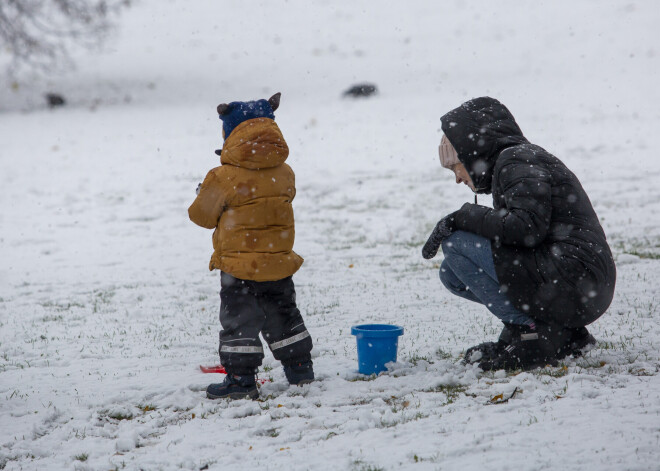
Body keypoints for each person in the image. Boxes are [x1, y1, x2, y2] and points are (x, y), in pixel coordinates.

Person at [422, 97, 616, 371]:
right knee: (452, 273)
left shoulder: (516, 160)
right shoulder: (513, 162)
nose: (457, 178)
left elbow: (525, 228)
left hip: (575, 279)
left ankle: (534, 334)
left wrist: (463, 217)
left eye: (456, 168)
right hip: (575, 283)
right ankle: (559, 334)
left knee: (456, 245)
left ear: (470, 154)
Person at [189, 93, 314, 399]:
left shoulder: (222, 177)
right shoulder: (285, 172)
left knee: (240, 324)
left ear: (231, 134)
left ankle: (241, 381)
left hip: (238, 268)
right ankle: (300, 369)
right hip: (278, 260)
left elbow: (201, 216)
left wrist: (203, 191)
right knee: (284, 315)